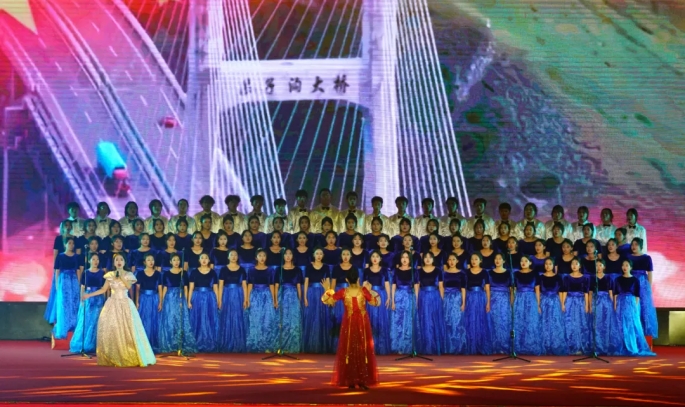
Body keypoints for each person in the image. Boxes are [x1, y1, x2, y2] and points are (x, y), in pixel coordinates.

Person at [82, 253, 156, 367]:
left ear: (124, 262)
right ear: (114, 262)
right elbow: (103, 289)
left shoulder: (129, 274)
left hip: (125, 304)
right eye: (117, 260)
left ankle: (129, 354)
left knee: (127, 330)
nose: (119, 262)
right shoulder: (110, 275)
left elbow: (129, 287)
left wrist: (121, 276)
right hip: (112, 304)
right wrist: (88, 295)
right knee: (112, 329)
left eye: (121, 259)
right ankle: (113, 355)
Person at [321, 268, 380, 390]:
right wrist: (370, 290)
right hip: (362, 323)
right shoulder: (363, 291)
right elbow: (375, 302)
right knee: (363, 349)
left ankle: (351, 380)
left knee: (349, 349)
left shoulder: (343, 291)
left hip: (349, 323)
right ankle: (363, 379)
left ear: (346, 280)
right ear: (358, 279)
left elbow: (329, 300)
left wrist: (327, 289)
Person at [613, 259, 656, 356]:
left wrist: (635, 307)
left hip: (631, 304)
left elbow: (637, 295)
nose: (625, 267)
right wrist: (615, 305)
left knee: (631, 324)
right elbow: (615, 294)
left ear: (631, 267)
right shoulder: (617, 280)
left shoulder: (635, 280)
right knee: (621, 325)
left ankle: (632, 346)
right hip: (620, 303)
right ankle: (623, 346)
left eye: (627, 265)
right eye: (623, 265)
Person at [158, 253, 198, 354]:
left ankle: (181, 344)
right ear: (170, 262)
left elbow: (186, 288)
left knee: (181, 320)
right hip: (170, 298)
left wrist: (186, 300)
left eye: (178, 260)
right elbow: (164, 288)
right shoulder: (166, 273)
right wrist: (161, 302)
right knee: (170, 320)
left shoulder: (184, 273)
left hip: (180, 297)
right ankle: (171, 344)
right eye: (174, 260)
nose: (176, 262)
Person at [69, 253, 105, 354]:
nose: (95, 261)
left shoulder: (102, 273)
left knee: (95, 321)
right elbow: (82, 287)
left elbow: (104, 289)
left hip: (98, 299)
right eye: (93, 259)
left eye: (97, 259)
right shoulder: (85, 272)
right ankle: (83, 344)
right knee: (86, 321)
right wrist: (82, 300)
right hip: (88, 299)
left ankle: (93, 345)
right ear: (89, 261)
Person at [246, 250, 278, 353]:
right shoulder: (251, 270)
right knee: (255, 319)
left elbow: (272, 285)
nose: (262, 257)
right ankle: (255, 343)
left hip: (267, 295)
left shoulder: (271, 270)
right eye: (260, 255)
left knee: (267, 320)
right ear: (256, 257)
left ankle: (267, 344)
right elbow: (249, 285)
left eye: (264, 255)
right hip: (255, 296)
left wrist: (274, 299)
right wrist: (247, 299)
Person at [188, 253, 220, 352]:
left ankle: (209, 342)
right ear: (199, 260)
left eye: (206, 258)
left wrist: (218, 300)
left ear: (209, 260)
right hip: (197, 297)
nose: (204, 260)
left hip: (210, 297)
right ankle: (196, 342)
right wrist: (189, 301)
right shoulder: (194, 272)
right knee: (197, 319)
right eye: (202, 258)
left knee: (209, 319)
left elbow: (215, 288)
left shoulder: (213, 272)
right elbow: (191, 288)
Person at [218, 249, 248, 353]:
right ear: (228, 257)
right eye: (231, 255)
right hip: (227, 294)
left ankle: (238, 343)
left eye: (235, 255)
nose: (234, 257)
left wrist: (245, 299)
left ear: (238, 257)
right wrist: (219, 299)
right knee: (227, 317)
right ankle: (226, 342)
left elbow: (244, 286)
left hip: (238, 294)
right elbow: (220, 285)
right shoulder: (223, 269)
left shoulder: (242, 269)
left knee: (238, 317)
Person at [627, 237, 657, 339]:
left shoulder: (647, 258)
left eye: (636, 244)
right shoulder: (628, 257)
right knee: (633, 306)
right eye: (632, 244)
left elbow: (650, 273)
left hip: (643, 283)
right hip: (631, 282)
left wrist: (649, 287)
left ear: (641, 246)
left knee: (644, 307)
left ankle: (645, 333)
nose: (633, 246)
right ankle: (634, 332)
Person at [415, 252, 445, 355]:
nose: (427, 259)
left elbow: (441, 287)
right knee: (425, 320)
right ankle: (426, 346)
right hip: (423, 296)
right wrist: (417, 300)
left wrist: (441, 300)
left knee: (434, 320)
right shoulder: (418, 271)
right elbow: (417, 287)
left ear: (433, 259)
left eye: (430, 257)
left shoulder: (438, 270)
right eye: (425, 257)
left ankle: (436, 346)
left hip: (435, 297)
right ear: (423, 259)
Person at [303, 248, 331, 353]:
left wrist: (328, 295)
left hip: (322, 293)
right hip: (311, 293)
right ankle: (310, 345)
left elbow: (328, 282)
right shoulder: (309, 267)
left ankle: (322, 345)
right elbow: (306, 282)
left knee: (322, 316)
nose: (319, 255)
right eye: (317, 253)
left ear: (323, 255)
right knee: (311, 317)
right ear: (314, 255)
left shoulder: (326, 267)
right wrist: (305, 296)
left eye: (320, 254)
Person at [275, 249, 303, 353]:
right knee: (282, 320)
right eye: (286, 254)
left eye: (290, 254)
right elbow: (276, 286)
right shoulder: (279, 269)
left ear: (293, 256)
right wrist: (275, 300)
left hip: (293, 296)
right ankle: (281, 346)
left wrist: (299, 300)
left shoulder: (297, 270)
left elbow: (299, 286)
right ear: (283, 256)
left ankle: (292, 346)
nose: (288, 256)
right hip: (282, 295)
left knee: (293, 321)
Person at [363, 251, 391, 355]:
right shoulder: (366, 271)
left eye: (377, 256)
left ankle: (381, 346)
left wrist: (388, 297)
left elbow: (387, 284)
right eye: (373, 256)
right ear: (370, 259)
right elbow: (364, 285)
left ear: (380, 259)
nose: (375, 258)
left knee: (381, 319)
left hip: (381, 295)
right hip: (370, 295)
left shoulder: (384, 270)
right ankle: (369, 346)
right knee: (370, 319)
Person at [53, 237, 82, 339]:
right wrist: (57, 285)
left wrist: (79, 284)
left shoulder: (76, 257)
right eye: (69, 243)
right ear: (65, 244)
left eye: (73, 243)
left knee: (74, 302)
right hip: (64, 280)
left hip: (73, 280)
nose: (71, 245)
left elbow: (78, 270)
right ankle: (64, 326)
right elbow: (57, 271)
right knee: (64, 303)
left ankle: (73, 325)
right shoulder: (60, 256)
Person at [464, 253, 492, 355]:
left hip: (481, 297)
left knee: (481, 320)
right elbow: (464, 288)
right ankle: (471, 346)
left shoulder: (484, 272)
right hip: (470, 297)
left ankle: (481, 345)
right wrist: (464, 301)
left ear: (480, 260)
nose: (474, 261)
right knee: (470, 320)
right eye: (472, 259)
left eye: (476, 259)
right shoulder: (466, 272)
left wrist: (488, 302)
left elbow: (487, 289)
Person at [513, 256, 542, 356]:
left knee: (531, 322)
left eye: (526, 261)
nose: (523, 262)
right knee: (519, 322)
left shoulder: (535, 273)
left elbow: (537, 290)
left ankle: (531, 346)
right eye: (521, 261)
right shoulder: (516, 274)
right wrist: (513, 302)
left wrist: (538, 304)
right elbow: (513, 290)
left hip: (531, 299)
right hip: (519, 299)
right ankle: (519, 347)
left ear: (530, 263)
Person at [391, 251, 416, 355]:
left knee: (409, 322)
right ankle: (399, 346)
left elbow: (416, 286)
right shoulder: (396, 271)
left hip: (410, 297)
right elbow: (393, 286)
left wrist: (416, 300)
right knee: (399, 321)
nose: (404, 259)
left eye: (407, 257)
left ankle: (409, 347)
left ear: (410, 259)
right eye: (403, 257)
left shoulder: (413, 271)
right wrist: (393, 301)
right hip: (399, 297)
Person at [539, 258, 567, 355]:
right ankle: (544, 345)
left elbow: (561, 291)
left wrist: (562, 304)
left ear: (553, 265)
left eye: (550, 264)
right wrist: (538, 304)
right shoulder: (541, 277)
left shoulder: (558, 277)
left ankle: (555, 345)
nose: (548, 266)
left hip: (555, 302)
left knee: (555, 323)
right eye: (546, 264)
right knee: (543, 322)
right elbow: (538, 291)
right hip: (544, 301)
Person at [135, 254, 162, 353]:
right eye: (148, 260)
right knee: (144, 320)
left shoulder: (158, 274)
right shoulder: (140, 273)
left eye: (152, 260)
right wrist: (137, 301)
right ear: (144, 262)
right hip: (143, 298)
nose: (151, 262)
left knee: (154, 321)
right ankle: (143, 343)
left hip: (154, 298)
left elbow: (160, 289)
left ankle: (153, 343)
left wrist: (160, 302)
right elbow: (137, 289)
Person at [564, 258, 590, 355]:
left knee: (580, 323)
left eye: (576, 263)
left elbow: (586, 293)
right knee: (569, 323)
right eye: (572, 263)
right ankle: (570, 346)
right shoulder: (566, 277)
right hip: (569, 302)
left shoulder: (585, 278)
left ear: (580, 266)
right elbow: (565, 291)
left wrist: (587, 305)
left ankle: (580, 346)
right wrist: (563, 303)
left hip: (580, 302)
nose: (574, 265)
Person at [442, 253, 467, 354]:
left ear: (457, 261)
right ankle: (447, 346)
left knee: (457, 321)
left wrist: (463, 302)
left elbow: (463, 289)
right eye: (450, 259)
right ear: (447, 261)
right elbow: (441, 288)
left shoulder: (462, 274)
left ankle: (458, 346)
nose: (451, 262)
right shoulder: (443, 273)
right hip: (446, 299)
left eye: (453, 259)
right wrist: (442, 299)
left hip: (457, 298)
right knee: (446, 321)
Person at [488, 253, 512, 355]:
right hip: (493, 299)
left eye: (500, 258)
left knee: (503, 322)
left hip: (505, 300)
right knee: (493, 322)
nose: (497, 260)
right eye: (496, 258)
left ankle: (504, 345)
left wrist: (511, 302)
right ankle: (493, 346)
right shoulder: (489, 273)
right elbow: (487, 288)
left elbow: (511, 289)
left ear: (504, 261)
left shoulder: (508, 272)